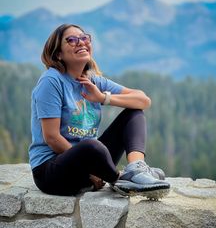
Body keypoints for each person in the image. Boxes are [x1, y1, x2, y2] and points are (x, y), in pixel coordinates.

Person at [29, 23, 170, 200]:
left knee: (133, 114)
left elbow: (143, 100)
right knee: (92, 145)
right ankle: (121, 180)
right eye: (71, 40)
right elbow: (52, 137)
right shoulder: (51, 81)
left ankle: (136, 168)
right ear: (58, 54)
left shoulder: (92, 81)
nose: (80, 43)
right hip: (52, 171)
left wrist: (103, 98)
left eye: (84, 38)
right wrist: (90, 172)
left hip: (91, 162)